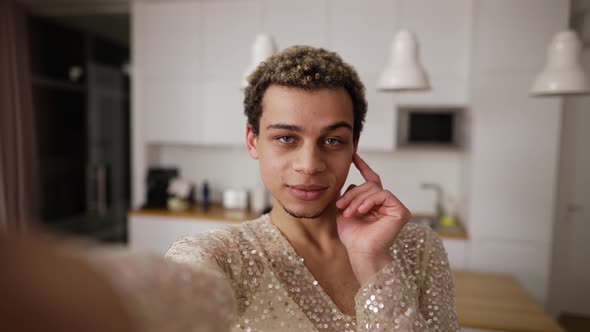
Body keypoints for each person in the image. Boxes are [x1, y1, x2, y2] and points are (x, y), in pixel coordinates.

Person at [0, 46, 459, 332]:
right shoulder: (221, 256)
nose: (310, 164)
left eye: (332, 140)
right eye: (286, 138)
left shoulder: (417, 249)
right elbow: (166, 294)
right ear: (252, 141)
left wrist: (373, 262)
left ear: (354, 146)